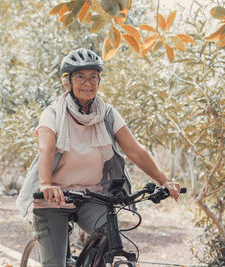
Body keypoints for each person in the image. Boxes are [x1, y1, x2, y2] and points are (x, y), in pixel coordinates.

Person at [16, 48, 180, 267]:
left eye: (93, 77)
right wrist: (46, 184)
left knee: (109, 235)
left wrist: (164, 180)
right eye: (80, 77)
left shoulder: (108, 114)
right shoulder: (53, 113)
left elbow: (135, 150)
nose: (88, 83)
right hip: (53, 198)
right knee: (54, 264)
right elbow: (47, 147)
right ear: (68, 83)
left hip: (91, 196)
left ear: (99, 81)